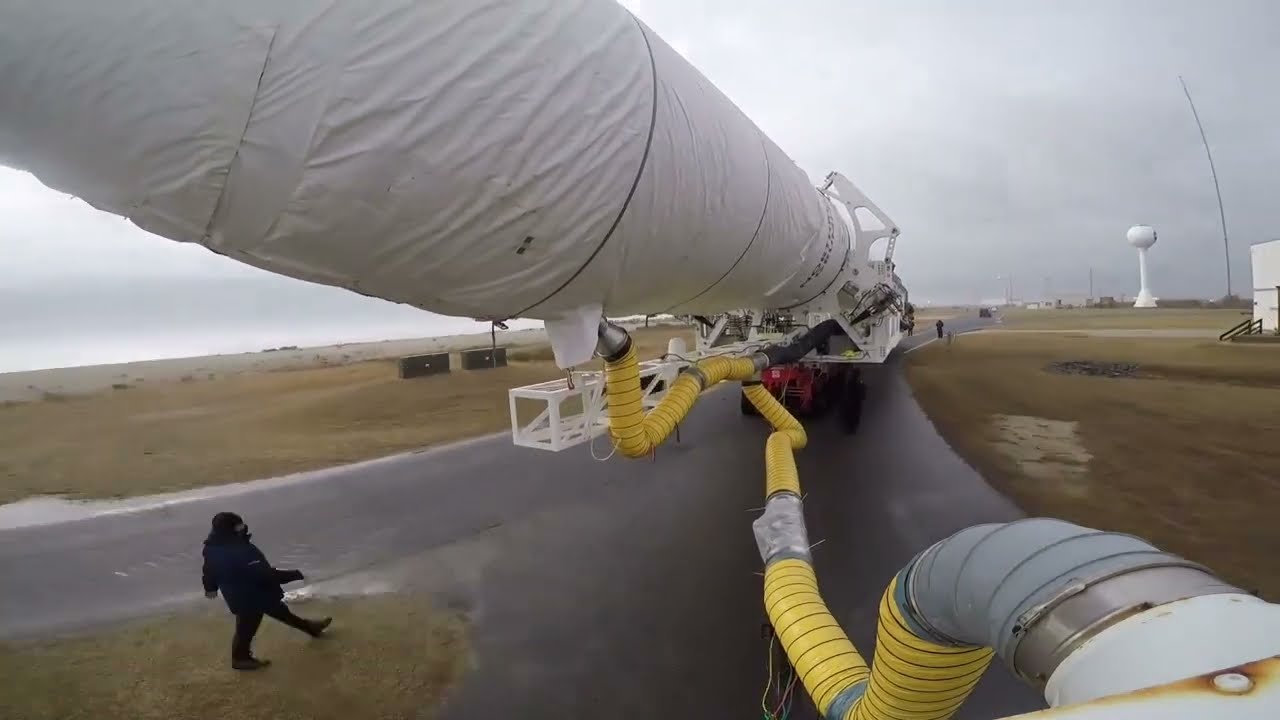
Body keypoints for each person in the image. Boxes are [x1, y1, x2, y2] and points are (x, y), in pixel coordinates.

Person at [201, 511, 332, 670]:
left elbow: (209, 570)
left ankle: (311, 628)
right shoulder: (240, 550)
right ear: (231, 529)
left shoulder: (212, 547)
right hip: (251, 596)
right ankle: (240, 659)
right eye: (239, 525)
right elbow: (264, 574)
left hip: (241, 592)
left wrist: (210, 587)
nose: (243, 527)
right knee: (247, 628)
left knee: (281, 612)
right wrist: (297, 574)